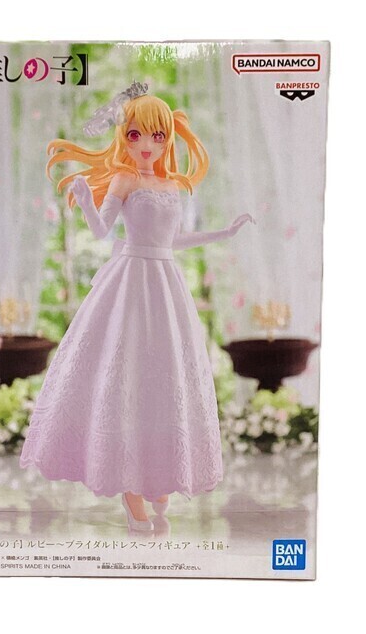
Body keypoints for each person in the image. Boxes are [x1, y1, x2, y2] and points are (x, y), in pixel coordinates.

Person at [19, 83, 255, 532]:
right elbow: (102, 231)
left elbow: (174, 240)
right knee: (124, 372)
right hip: (130, 280)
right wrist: (86, 202)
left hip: (166, 285)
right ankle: (129, 488)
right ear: (124, 138)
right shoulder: (125, 180)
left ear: (168, 140)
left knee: (163, 377)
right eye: (135, 135)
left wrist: (223, 234)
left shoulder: (171, 185)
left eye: (157, 136)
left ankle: (156, 474)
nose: (146, 145)